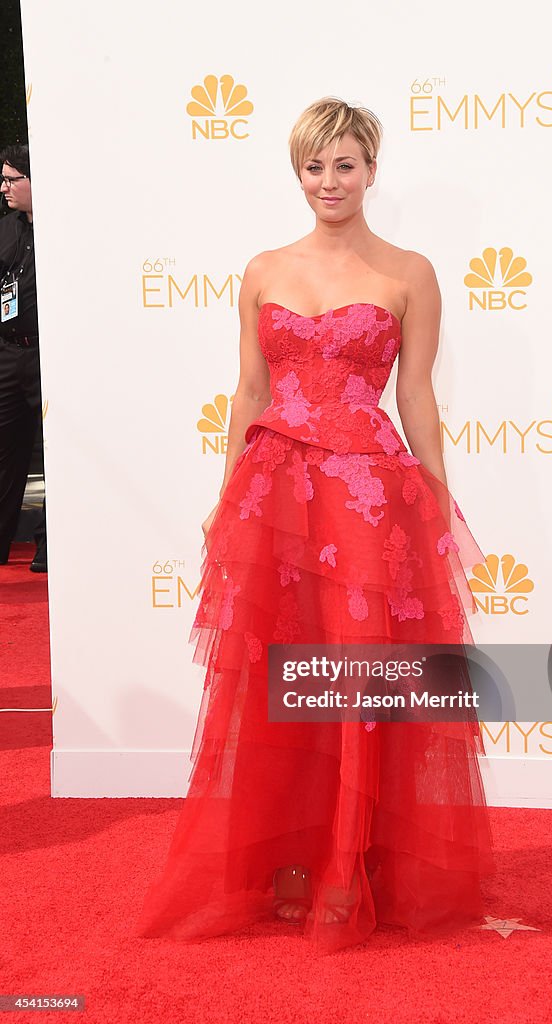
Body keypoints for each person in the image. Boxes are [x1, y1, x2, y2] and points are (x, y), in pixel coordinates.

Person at [134, 97, 495, 954]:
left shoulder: (410, 272)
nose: (327, 182)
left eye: (344, 165)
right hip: (273, 498)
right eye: (313, 166)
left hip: (367, 498)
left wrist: (436, 501)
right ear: (296, 173)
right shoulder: (262, 268)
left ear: (373, 169)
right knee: (272, 685)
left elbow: (415, 398)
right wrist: (228, 497)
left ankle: (355, 868)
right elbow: (251, 394)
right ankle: (288, 868)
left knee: (360, 684)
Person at [0, 143, 47, 571]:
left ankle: (49, 543)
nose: (5, 187)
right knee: (6, 450)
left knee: (57, 452)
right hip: (9, 351)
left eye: (13, 179)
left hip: (51, 355)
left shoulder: (63, 229)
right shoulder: (6, 230)